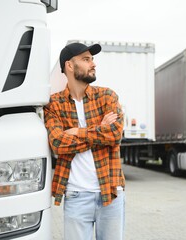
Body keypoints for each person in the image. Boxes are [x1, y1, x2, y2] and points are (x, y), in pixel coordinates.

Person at [43, 42, 126, 240]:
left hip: (111, 191)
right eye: (86, 59)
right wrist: (100, 130)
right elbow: (57, 143)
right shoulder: (53, 104)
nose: (93, 64)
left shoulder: (107, 96)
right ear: (69, 66)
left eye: (92, 59)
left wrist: (75, 132)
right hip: (76, 195)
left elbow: (115, 134)